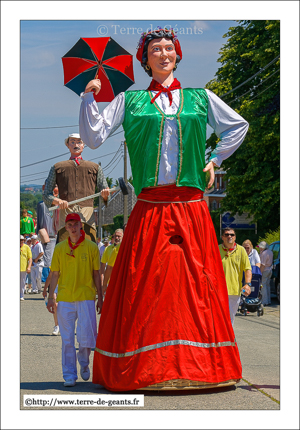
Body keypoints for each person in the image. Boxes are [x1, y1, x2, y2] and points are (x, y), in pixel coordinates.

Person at [79, 28, 249, 391]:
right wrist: (89, 98)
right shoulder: (131, 100)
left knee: (197, 286)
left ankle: (202, 367)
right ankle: (145, 367)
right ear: (146, 60)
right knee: (145, 285)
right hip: (150, 206)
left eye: (169, 48)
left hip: (190, 207)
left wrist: (214, 157)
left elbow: (238, 126)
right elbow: (93, 137)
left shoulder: (200, 98)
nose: (163, 53)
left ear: (177, 55)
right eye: (156, 49)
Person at [46, 213, 102, 387]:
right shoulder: (60, 248)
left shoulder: (92, 247)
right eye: (69, 225)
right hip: (65, 298)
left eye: (75, 224)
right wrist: (50, 296)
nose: (72, 228)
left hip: (86, 297)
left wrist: (100, 297)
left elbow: (96, 273)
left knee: (86, 337)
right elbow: (55, 273)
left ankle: (84, 364)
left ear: (80, 226)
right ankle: (69, 374)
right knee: (67, 339)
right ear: (66, 227)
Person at [43, 133, 110, 231]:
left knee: (88, 242)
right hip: (66, 212)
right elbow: (46, 195)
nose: (76, 145)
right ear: (67, 145)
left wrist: (105, 195)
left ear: (84, 145)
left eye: (79, 142)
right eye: (72, 142)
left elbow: (107, 194)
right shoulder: (57, 167)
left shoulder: (95, 167)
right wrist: (58, 201)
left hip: (87, 213)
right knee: (65, 241)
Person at [219, 228, 252, 326]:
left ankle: (229, 340)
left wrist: (247, 284)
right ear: (222, 237)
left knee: (230, 318)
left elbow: (247, 269)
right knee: (219, 318)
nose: (229, 236)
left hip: (234, 291)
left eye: (232, 235)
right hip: (218, 291)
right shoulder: (216, 249)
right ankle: (220, 340)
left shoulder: (241, 250)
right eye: (226, 234)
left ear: (235, 237)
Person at [36, 184, 57, 282]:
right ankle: (47, 281)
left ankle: (51, 280)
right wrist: (39, 234)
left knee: (54, 259)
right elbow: (40, 220)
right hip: (47, 236)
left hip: (57, 236)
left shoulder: (59, 204)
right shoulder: (41, 205)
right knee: (47, 260)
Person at [100, 230, 123, 296]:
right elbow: (103, 266)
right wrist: (103, 283)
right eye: (115, 236)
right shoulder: (107, 249)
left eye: (119, 236)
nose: (117, 238)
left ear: (123, 237)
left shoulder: (124, 248)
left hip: (121, 281)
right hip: (110, 282)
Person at [43, 269, 59, 335]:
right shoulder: (56, 260)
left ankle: (65, 325)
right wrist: (44, 289)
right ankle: (57, 326)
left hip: (66, 284)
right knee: (55, 304)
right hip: (55, 284)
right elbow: (50, 276)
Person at [258, 241, 273, 306]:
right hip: (270, 269)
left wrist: (260, 273)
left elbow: (263, 264)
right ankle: (269, 300)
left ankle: (265, 301)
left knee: (263, 286)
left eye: (261, 247)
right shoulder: (270, 252)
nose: (260, 248)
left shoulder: (264, 253)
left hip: (265, 270)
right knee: (268, 285)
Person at [20, 235, 32, 300]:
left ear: (24, 241)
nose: (20, 241)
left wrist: (29, 267)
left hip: (23, 268)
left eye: (22, 240)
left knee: (22, 282)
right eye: (19, 240)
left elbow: (30, 258)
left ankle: (21, 295)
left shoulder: (27, 247)